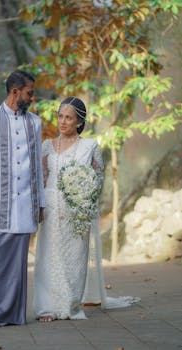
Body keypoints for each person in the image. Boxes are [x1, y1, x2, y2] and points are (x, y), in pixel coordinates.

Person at [33, 96, 140, 322]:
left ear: (79, 122)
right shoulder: (46, 146)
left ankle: (70, 305)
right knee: (48, 257)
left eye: (69, 118)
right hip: (51, 210)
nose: (63, 122)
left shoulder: (90, 146)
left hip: (77, 211)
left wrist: (83, 201)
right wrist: (39, 207)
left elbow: (97, 179)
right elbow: (42, 180)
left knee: (73, 259)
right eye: (60, 116)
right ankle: (48, 308)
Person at [0, 70, 45, 329]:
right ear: (15, 92)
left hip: (26, 202)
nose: (32, 97)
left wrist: (41, 203)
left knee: (17, 264)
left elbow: (36, 165)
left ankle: (14, 315)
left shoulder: (34, 122)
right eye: (29, 93)